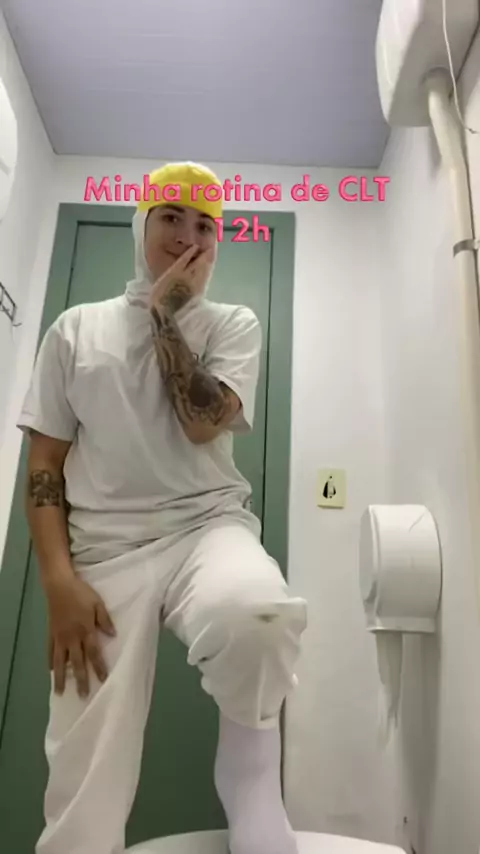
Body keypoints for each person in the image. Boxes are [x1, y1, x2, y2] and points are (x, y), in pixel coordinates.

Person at [18, 161, 308, 854]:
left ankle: (250, 782)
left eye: (204, 225)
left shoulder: (234, 324)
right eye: (170, 217)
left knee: (257, 613)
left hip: (207, 527)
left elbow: (202, 423)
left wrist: (163, 314)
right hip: (103, 550)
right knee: (84, 760)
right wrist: (57, 581)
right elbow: (45, 464)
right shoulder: (74, 330)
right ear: (140, 225)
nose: (186, 236)